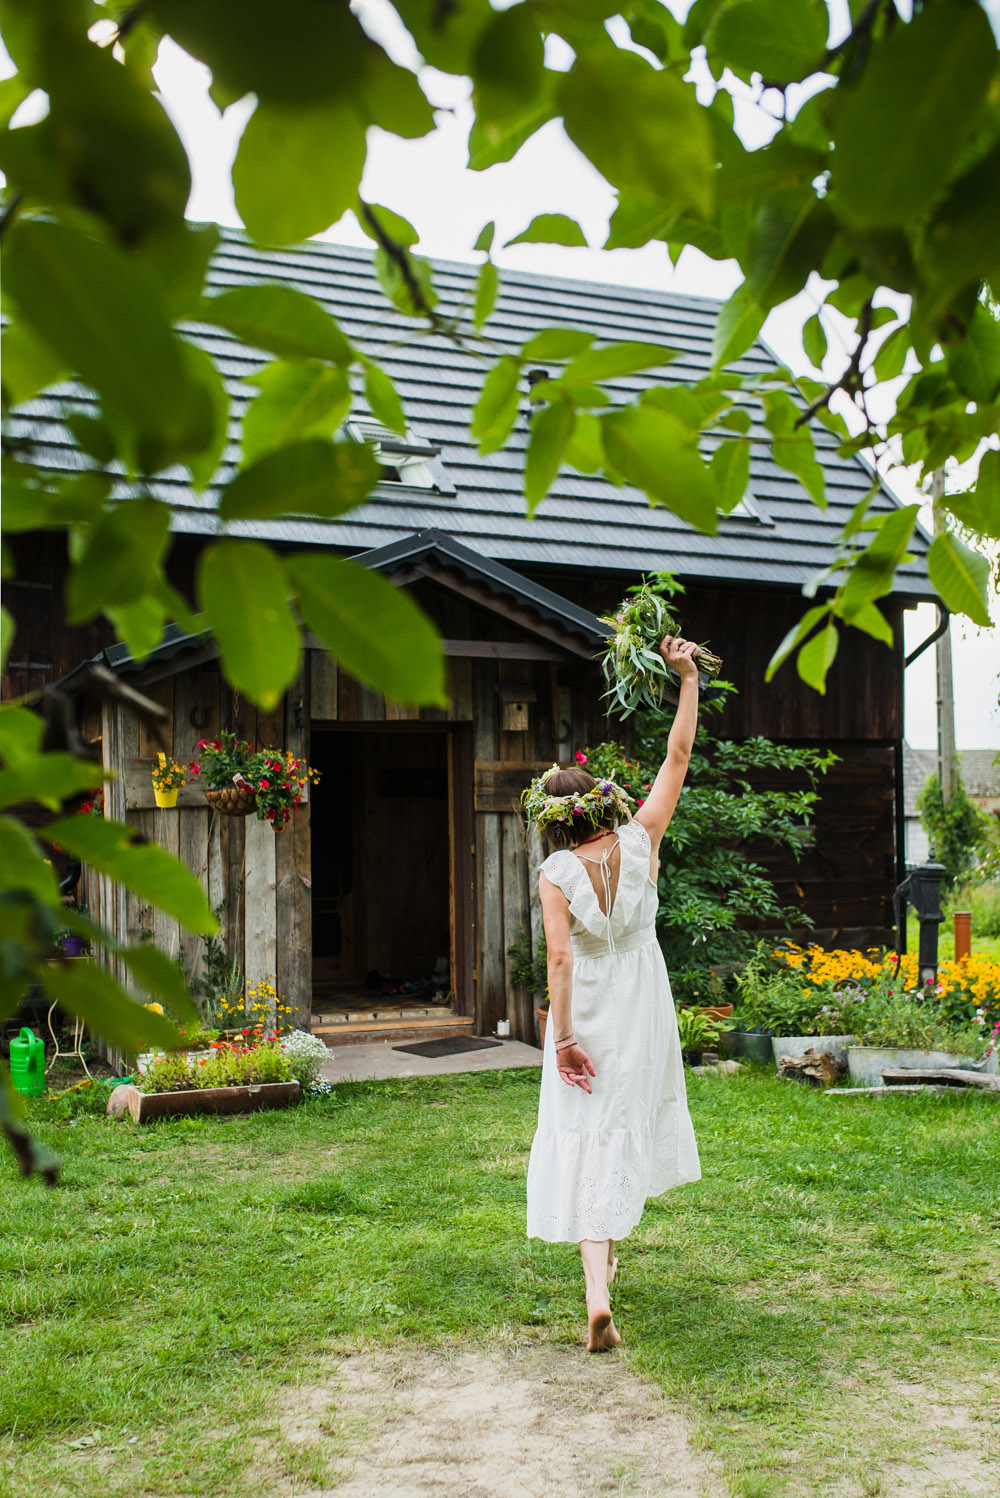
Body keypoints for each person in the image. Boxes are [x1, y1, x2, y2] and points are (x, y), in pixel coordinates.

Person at [523, 635, 702, 1352]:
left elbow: (560, 958)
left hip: (588, 1003)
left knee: (583, 1129)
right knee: (619, 1120)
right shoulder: (640, 838)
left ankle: (597, 1289)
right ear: (601, 804)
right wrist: (686, 679)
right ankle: (602, 1285)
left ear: (552, 819)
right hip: (641, 997)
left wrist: (563, 1038)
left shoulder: (556, 871)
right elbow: (677, 757)